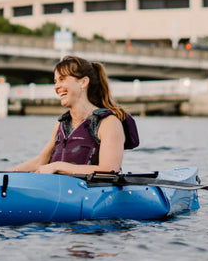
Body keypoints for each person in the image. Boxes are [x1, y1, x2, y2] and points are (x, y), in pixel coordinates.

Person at [11, 55, 139, 175]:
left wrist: (57, 166)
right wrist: (3, 175)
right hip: (59, 190)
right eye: (55, 81)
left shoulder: (109, 123)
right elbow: (41, 162)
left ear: (83, 82)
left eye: (62, 79)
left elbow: (109, 170)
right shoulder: (62, 123)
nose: (57, 86)